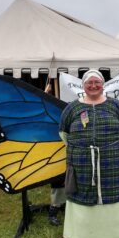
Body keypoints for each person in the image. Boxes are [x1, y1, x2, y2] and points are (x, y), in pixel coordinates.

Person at [59, 69, 119, 238]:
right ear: (83, 85)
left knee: (114, 195)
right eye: (89, 83)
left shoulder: (116, 105)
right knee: (83, 194)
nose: (93, 86)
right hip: (82, 161)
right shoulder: (72, 108)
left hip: (113, 161)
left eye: (97, 82)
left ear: (103, 85)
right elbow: (64, 133)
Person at [44, 82, 67, 226]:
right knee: (58, 185)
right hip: (56, 153)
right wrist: (46, 93)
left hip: (70, 152)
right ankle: (53, 211)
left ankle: (67, 208)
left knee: (71, 183)